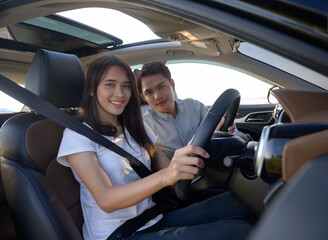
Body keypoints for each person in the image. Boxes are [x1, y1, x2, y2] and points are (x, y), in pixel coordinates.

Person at [57, 55, 253, 240]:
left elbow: (169, 172)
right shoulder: (77, 135)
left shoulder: (134, 127)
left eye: (126, 86)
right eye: (110, 84)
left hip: (155, 217)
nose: (120, 93)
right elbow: (105, 200)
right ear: (92, 89)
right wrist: (165, 177)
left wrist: (186, 165)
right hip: (120, 234)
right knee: (239, 231)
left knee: (241, 203)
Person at [137, 61, 253, 159]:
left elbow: (222, 130)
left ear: (172, 84)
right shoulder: (145, 127)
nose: (157, 96)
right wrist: (213, 133)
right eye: (149, 92)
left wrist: (226, 129)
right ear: (144, 97)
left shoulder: (194, 106)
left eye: (161, 87)